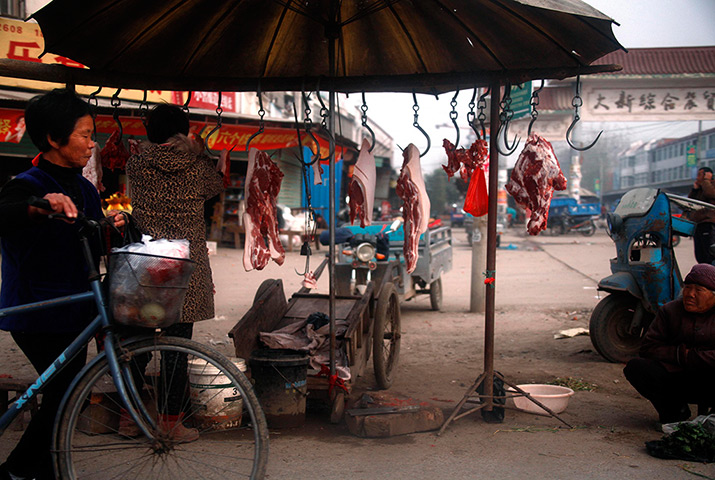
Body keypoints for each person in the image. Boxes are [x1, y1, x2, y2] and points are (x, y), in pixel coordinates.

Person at [0, 89, 125, 480]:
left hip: (76, 308)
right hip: (38, 309)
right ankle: (18, 470)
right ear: (54, 138)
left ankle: (41, 469)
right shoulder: (27, 182)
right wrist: (42, 205)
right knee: (66, 394)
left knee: (66, 394)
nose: (93, 144)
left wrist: (114, 229)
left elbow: (90, 237)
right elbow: (6, 213)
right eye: (85, 135)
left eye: (92, 135)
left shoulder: (86, 188)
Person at [126, 103, 223, 441]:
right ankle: (170, 423)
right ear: (183, 131)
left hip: (147, 262)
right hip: (185, 263)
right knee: (177, 347)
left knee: (136, 341)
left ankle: (127, 416)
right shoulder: (197, 167)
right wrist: (201, 151)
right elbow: (216, 187)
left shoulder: (136, 163)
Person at [623, 263, 715, 426]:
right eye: (688, 288)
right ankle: (674, 412)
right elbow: (648, 347)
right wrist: (680, 355)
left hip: (709, 379)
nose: (690, 294)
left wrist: (692, 357)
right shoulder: (670, 311)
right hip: (677, 377)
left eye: (699, 290)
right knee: (636, 367)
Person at [687, 166, 715, 264]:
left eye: (700, 175)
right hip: (698, 224)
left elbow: (710, 193)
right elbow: (690, 203)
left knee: (709, 254)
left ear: (708, 175)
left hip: (709, 224)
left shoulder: (711, 185)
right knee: (700, 255)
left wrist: (706, 180)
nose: (697, 178)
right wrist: (695, 190)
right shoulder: (700, 188)